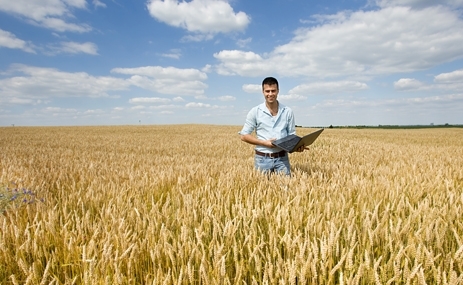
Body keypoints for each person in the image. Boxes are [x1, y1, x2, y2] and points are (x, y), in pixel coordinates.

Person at [239, 77, 306, 175]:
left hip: (282, 159)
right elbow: (244, 136)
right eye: (267, 91)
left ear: (278, 91)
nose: (270, 94)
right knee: (261, 190)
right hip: (262, 159)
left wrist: (297, 147)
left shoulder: (287, 111)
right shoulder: (255, 111)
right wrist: (264, 143)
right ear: (263, 92)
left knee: (285, 189)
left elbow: (292, 135)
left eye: (273, 91)